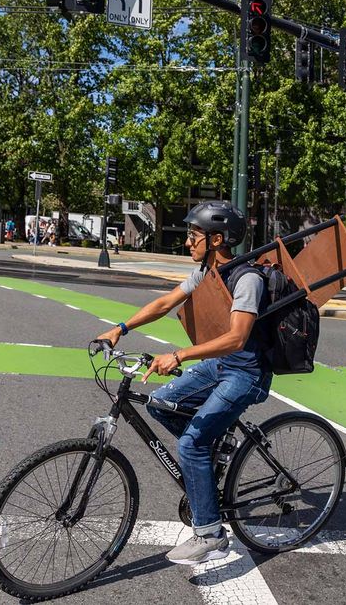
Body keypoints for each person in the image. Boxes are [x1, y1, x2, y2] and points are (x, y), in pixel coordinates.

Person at [95, 200, 270, 566]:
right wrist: (120, 329)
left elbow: (238, 338)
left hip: (245, 372)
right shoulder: (206, 272)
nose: (188, 242)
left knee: (190, 445)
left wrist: (178, 356)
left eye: (194, 236)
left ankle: (210, 535)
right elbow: (165, 302)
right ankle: (211, 449)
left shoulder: (247, 278)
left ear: (218, 239)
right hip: (218, 366)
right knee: (160, 404)